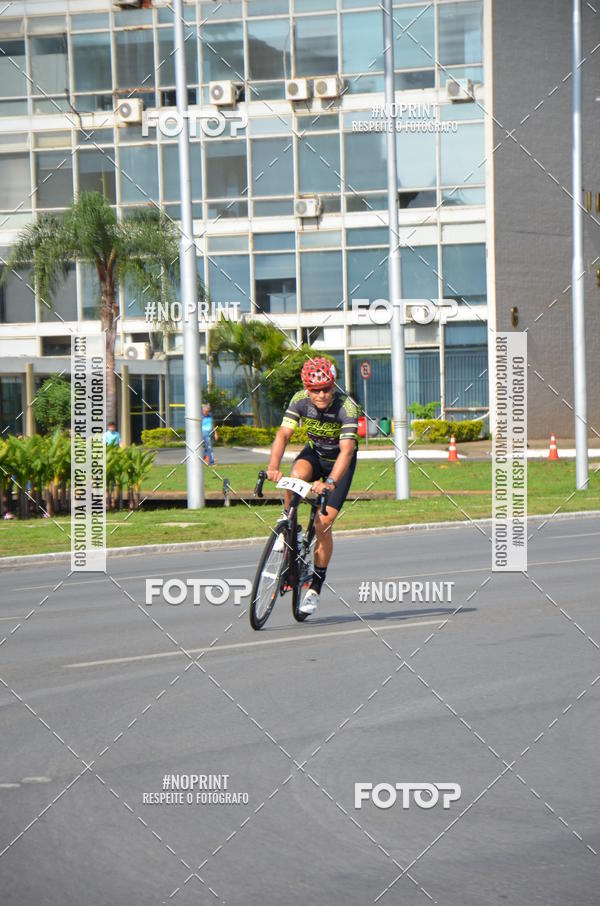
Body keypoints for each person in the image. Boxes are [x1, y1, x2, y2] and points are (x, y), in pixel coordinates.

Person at [266, 357, 360, 616]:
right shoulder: (299, 399)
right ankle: (289, 526)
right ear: (307, 389)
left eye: (326, 389)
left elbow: (347, 450)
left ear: (333, 385)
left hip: (339, 464)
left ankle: (315, 588)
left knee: (323, 523)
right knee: (294, 477)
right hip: (315, 454)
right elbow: (283, 435)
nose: (321, 395)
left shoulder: (347, 407)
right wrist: (273, 466)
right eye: (315, 390)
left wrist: (330, 483)